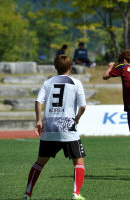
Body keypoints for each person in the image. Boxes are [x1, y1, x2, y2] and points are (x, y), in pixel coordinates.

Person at [21, 55, 87, 200]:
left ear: (55, 67)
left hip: (50, 127)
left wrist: (39, 120)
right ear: (70, 67)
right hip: (67, 128)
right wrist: (76, 119)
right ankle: (76, 193)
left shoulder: (47, 83)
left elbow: (38, 101)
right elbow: (82, 106)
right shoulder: (76, 83)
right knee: (78, 161)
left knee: (39, 163)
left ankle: (27, 193)